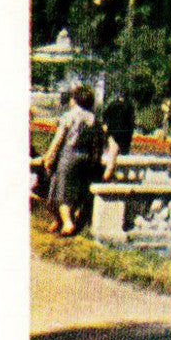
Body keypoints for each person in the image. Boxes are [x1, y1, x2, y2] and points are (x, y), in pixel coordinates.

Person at [42, 85, 105, 236]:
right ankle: (61, 221)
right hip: (85, 158)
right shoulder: (93, 119)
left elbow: (58, 139)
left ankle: (67, 223)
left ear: (76, 100)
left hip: (68, 156)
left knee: (60, 190)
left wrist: (49, 156)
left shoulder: (70, 116)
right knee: (75, 191)